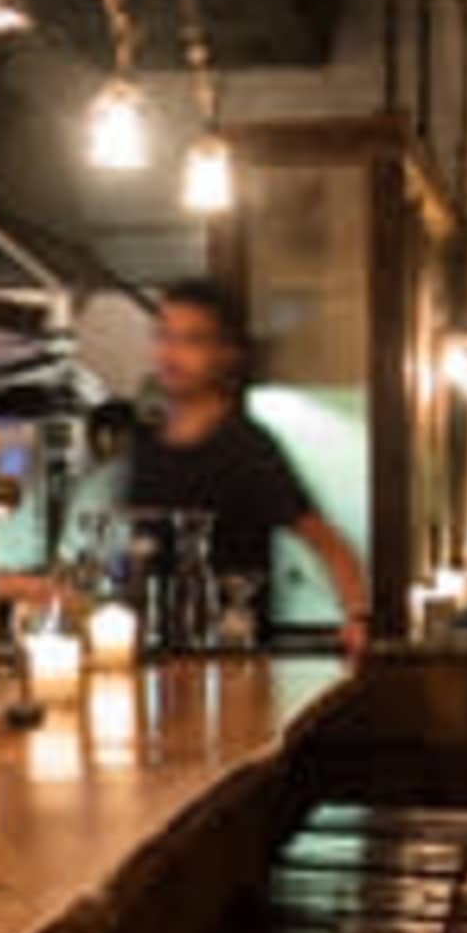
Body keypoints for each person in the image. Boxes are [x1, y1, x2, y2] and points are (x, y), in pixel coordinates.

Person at [124, 280, 370, 658]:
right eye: (164, 336)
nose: (171, 353)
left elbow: (325, 540)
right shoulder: (145, 446)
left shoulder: (246, 447)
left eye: (191, 340)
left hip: (229, 660)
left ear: (226, 354)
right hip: (146, 657)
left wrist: (358, 617)